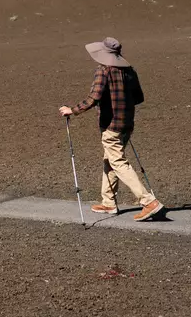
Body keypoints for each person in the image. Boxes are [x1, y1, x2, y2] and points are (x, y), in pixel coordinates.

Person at [59, 37, 163, 222]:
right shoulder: (129, 71)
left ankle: (148, 201)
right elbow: (138, 98)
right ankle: (108, 202)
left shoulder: (103, 70)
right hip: (127, 124)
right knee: (110, 160)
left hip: (111, 125)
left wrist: (72, 110)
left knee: (118, 162)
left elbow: (94, 97)